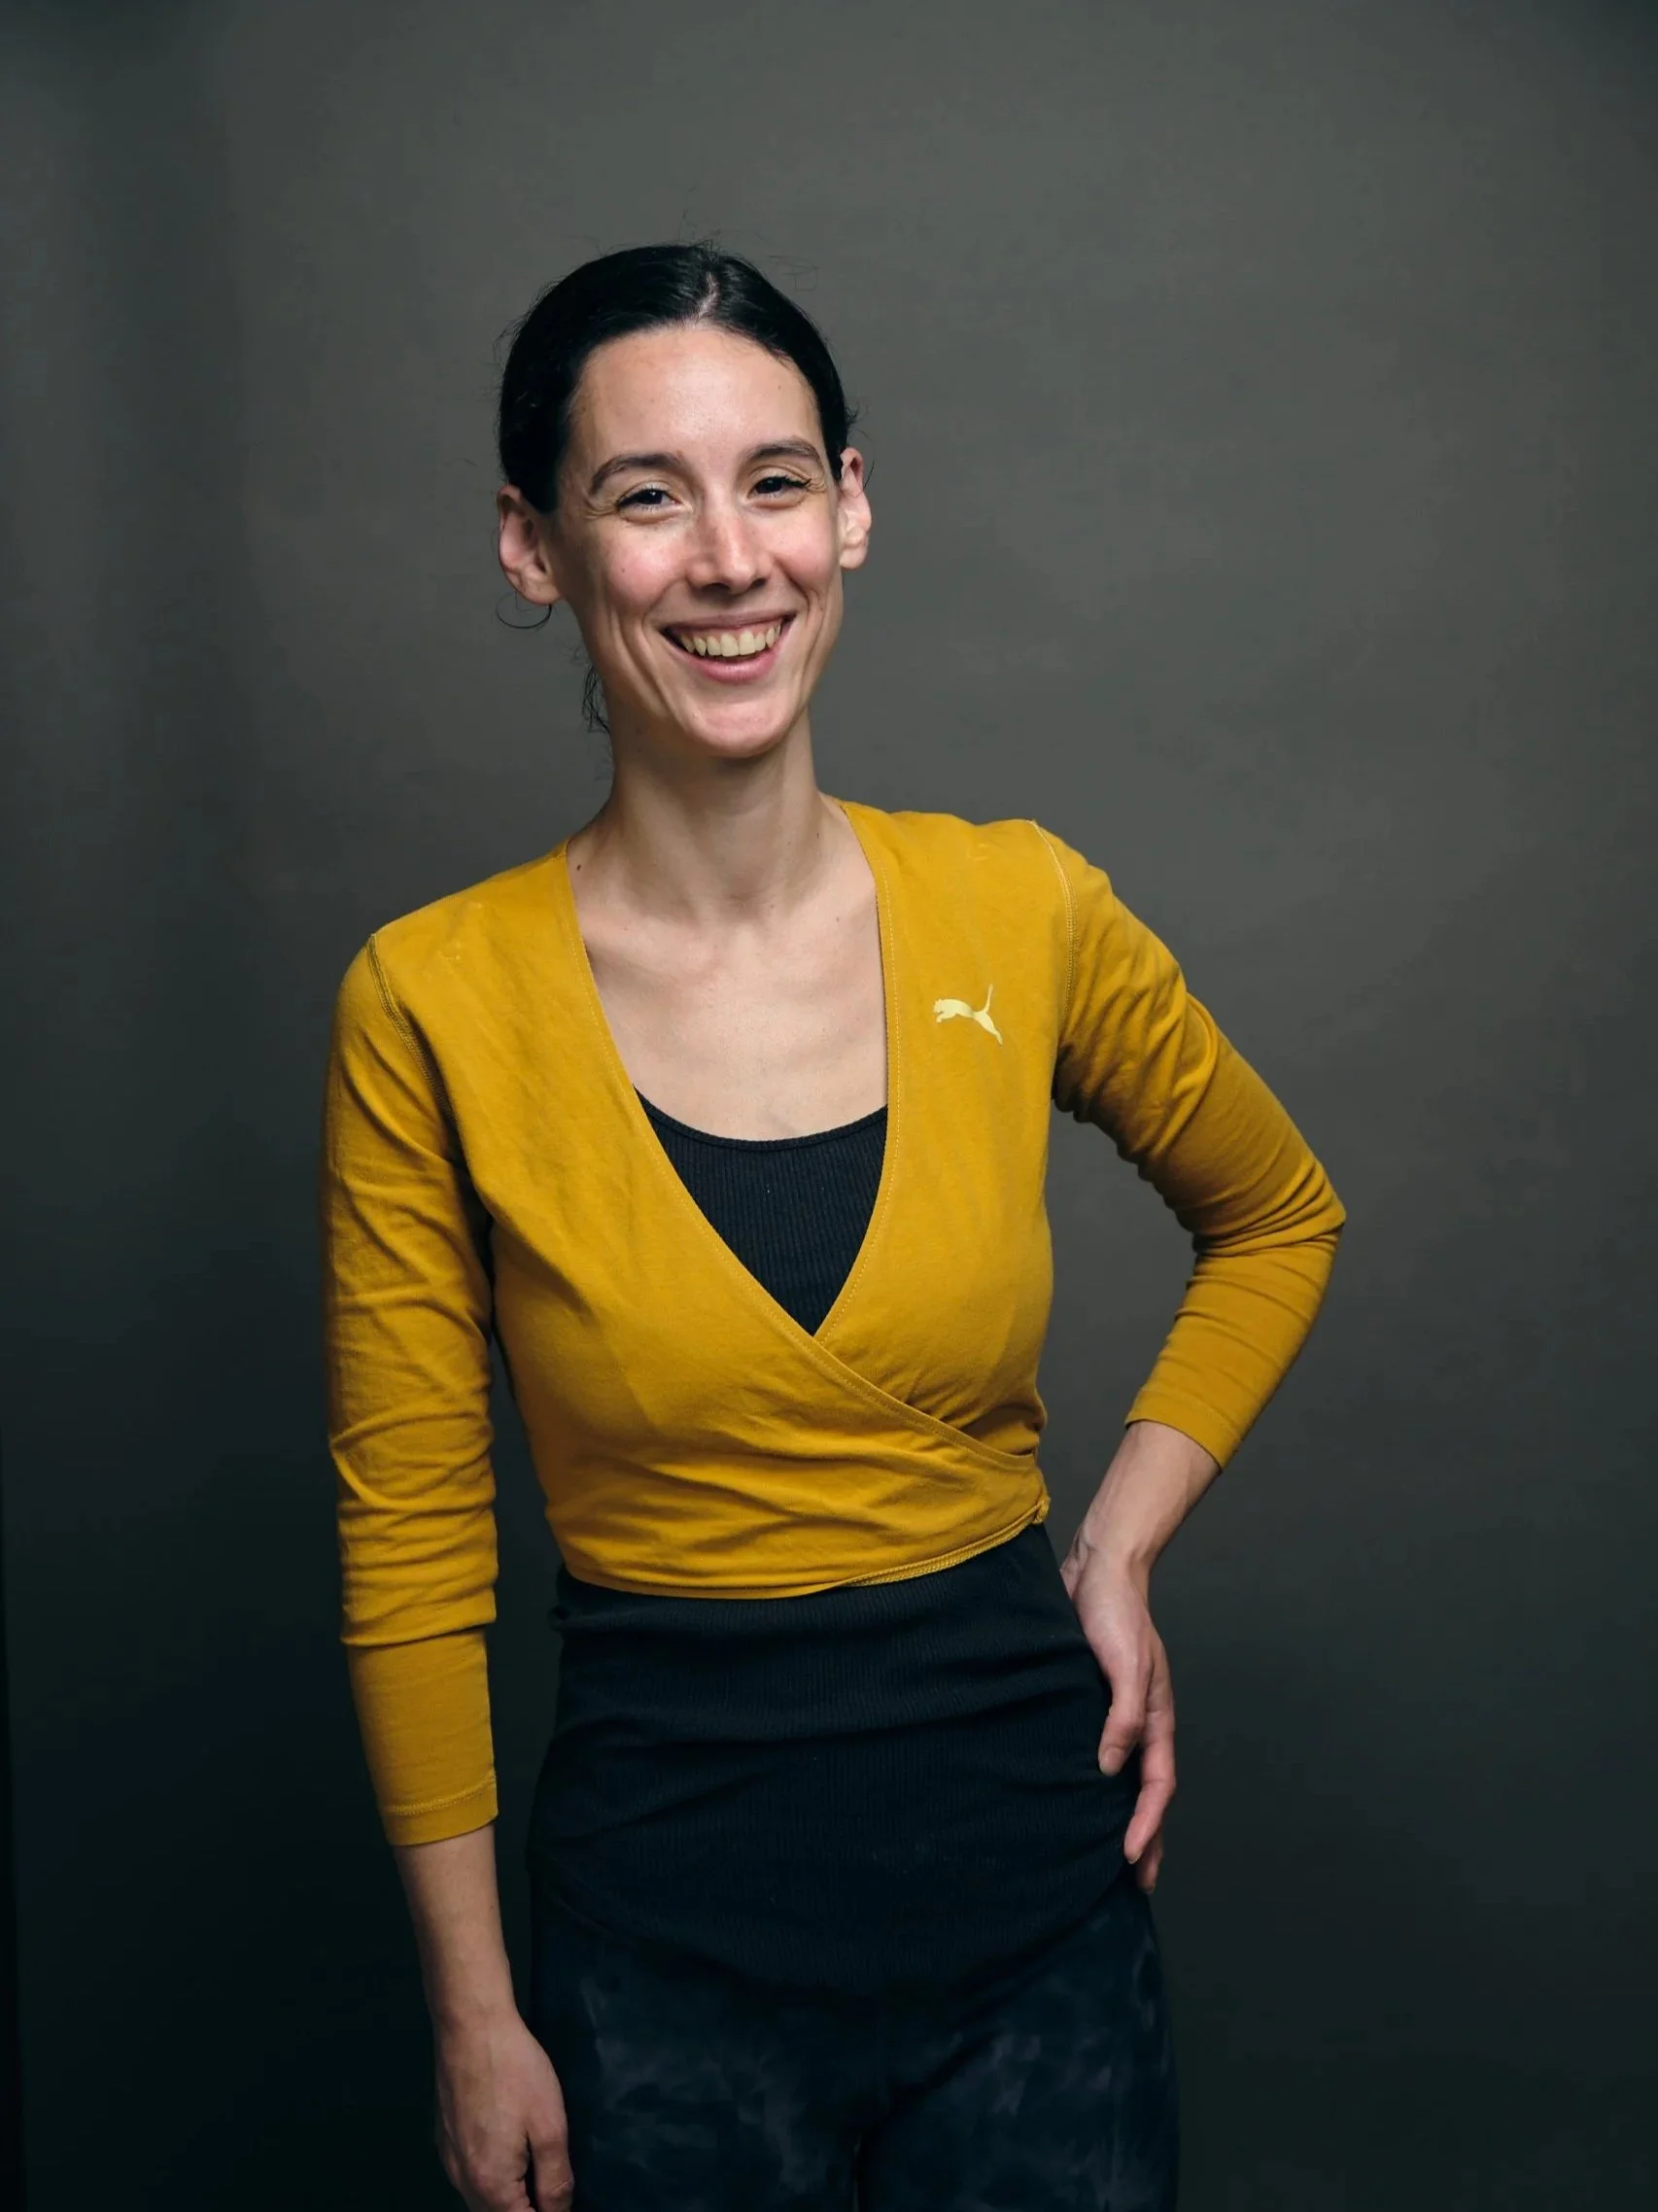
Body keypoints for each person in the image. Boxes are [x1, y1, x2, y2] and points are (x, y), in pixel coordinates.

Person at [320, 241, 1344, 2212]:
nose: (730, 560)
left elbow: (1277, 1214)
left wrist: (1120, 1543)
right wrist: (473, 2009)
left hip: (1041, 1937)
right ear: (534, 546)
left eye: (775, 481)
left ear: (850, 509)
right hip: (654, 1979)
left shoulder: (1021, 909)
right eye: (647, 495)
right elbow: (415, 1546)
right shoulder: (428, 1003)